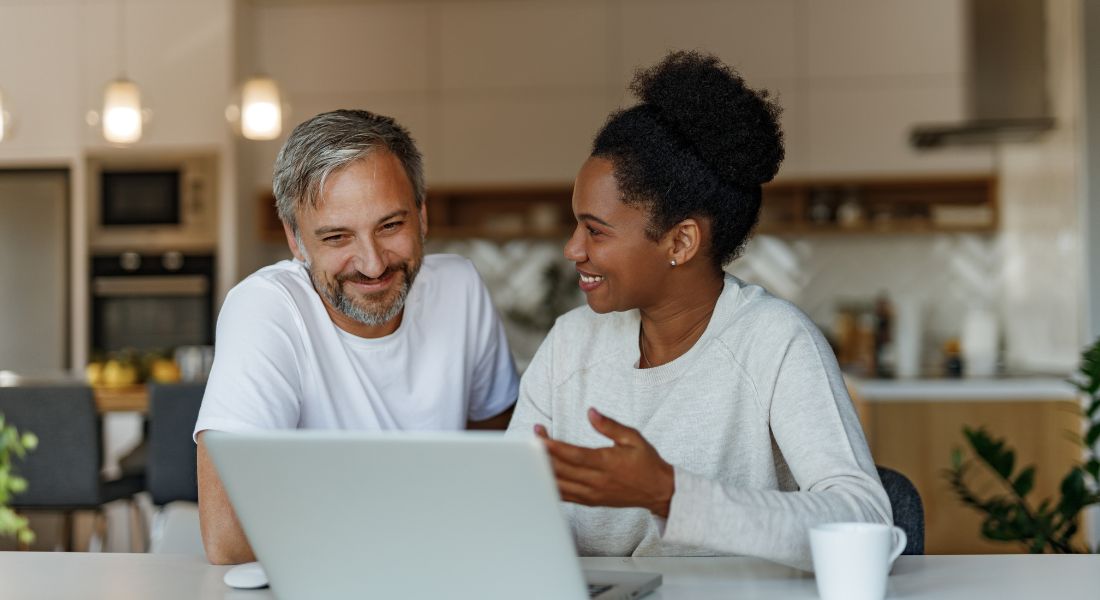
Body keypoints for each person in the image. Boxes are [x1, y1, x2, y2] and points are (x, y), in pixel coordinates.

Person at [507, 51, 891, 571]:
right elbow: (512, 506)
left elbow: (864, 519)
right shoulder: (570, 343)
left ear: (681, 241)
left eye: (595, 230)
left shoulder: (774, 342)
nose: (572, 249)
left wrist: (671, 495)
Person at [195, 109, 519, 565]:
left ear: (421, 216)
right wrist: (434, 517)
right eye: (336, 237)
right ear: (295, 239)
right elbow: (228, 537)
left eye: (391, 226)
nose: (372, 263)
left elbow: (501, 465)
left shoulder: (459, 287)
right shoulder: (265, 309)